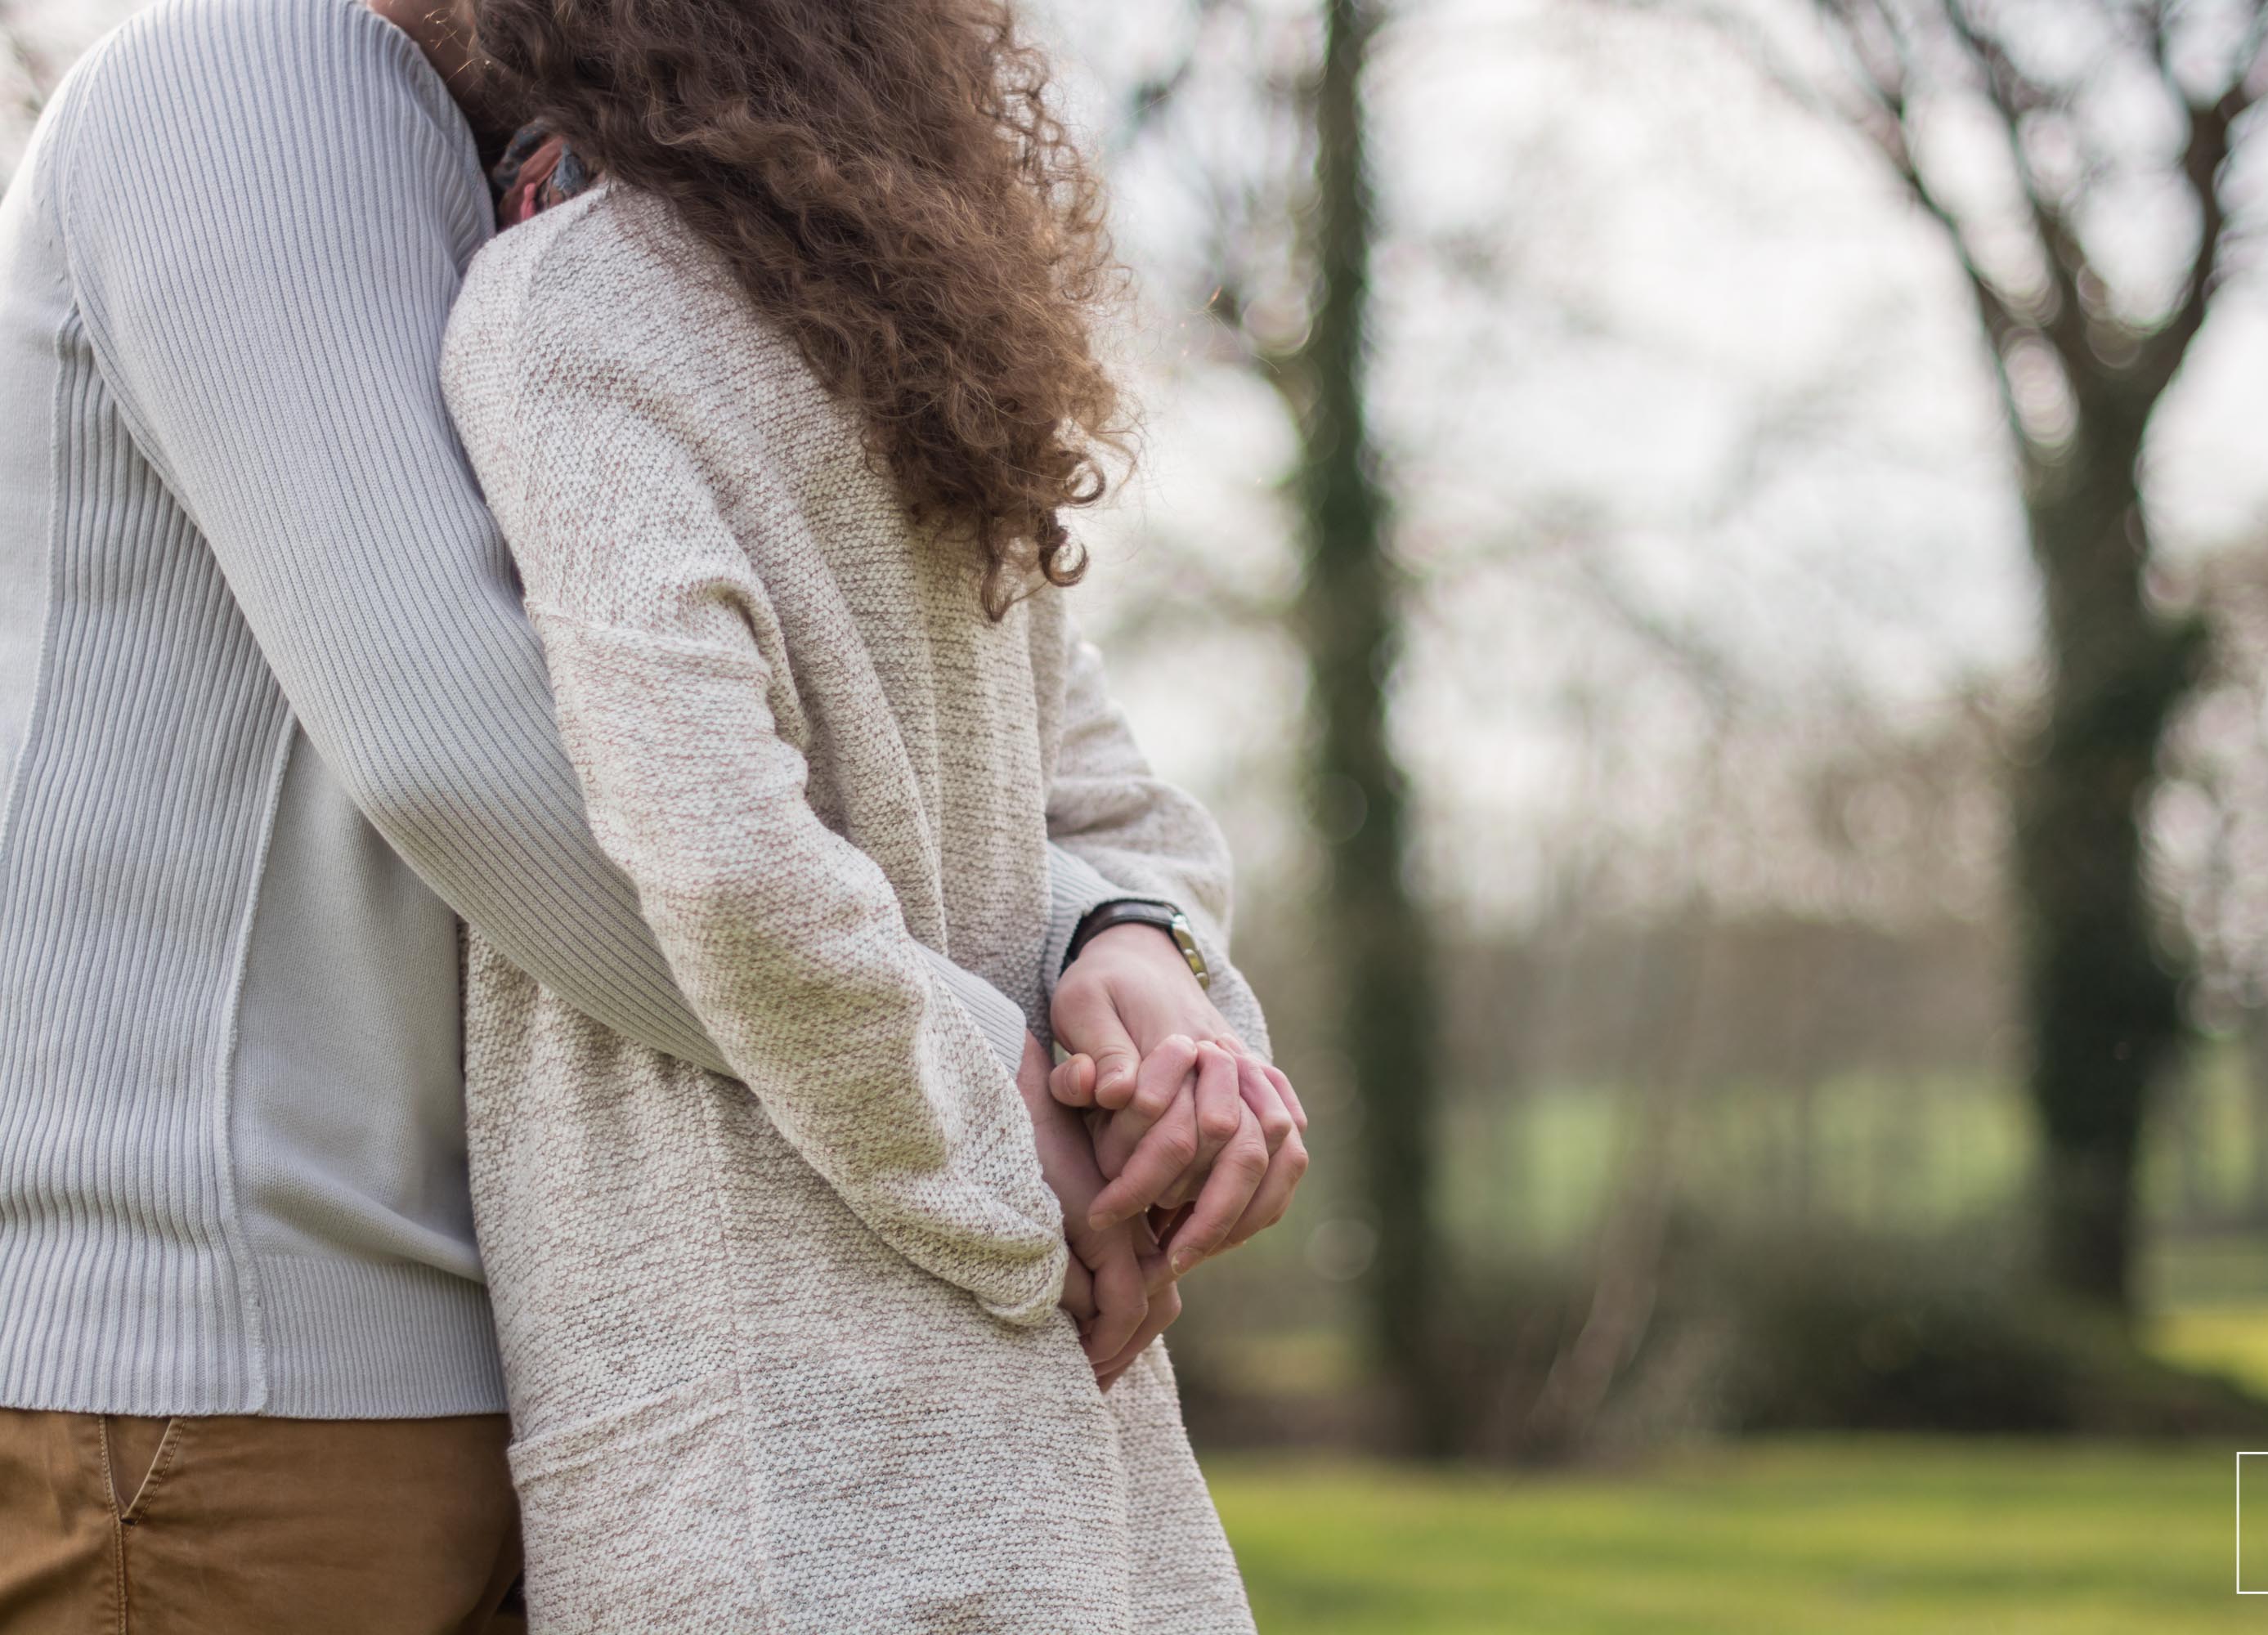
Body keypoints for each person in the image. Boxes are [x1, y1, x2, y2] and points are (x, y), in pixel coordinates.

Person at [0, 0, 1303, 1628]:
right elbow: (477, 748)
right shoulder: (252, 81)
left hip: (537, 1357)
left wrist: (1132, 935)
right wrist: (1001, 1102)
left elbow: (980, 737)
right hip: (238, 1363)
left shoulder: (666, 234)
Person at [439, 0, 1299, 1620]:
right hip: (1040, 1394)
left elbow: (729, 861)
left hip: (779, 1448)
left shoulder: (569, 311)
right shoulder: (903, 322)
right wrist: (1137, 957)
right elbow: (1123, 812)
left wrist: (1018, 1156)